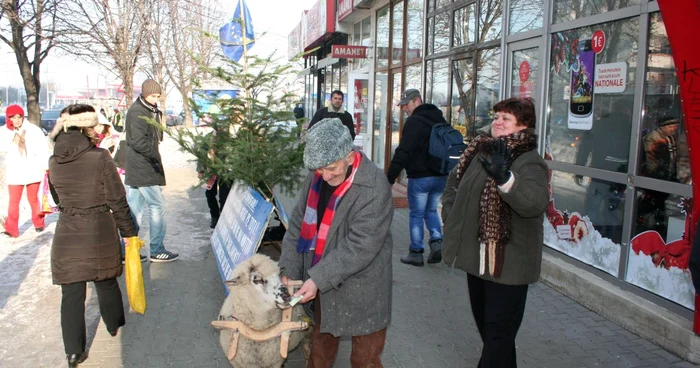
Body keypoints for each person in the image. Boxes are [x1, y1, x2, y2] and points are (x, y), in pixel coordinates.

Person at [441, 97, 548, 367]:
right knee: (493, 336)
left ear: (523, 126)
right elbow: (454, 184)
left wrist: (506, 180)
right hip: (478, 263)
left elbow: (535, 203)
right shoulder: (482, 150)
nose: (498, 122)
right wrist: (451, 214)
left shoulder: (529, 161)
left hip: (509, 266)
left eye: (506, 118)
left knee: (498, 338)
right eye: (497, 116)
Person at [278, 118, 394, 367]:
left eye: (331, 167)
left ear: (350, 157)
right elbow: (298, 223)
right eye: (320, 169)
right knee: (320, 351)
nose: (325, 174)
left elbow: (360, 245)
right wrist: (288, 268)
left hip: (363, 286)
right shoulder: (317, 175)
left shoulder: (374, 187)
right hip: (324, 279)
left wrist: (318, 279)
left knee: (365, 358)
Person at [47, 104, 138, 367]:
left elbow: (56, 197)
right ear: (86, 128)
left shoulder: (54, 160)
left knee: (71, 292)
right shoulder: (99, 157)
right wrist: (129, 232)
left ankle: (74, 352)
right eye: (94, 126)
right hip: (99, 227)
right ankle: (114, 324)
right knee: (106, 279)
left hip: (67, 231)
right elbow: (117, 199)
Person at [386, 88, 448, 267]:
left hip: (420, 177)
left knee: (416, 214)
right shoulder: (439, 118)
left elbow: (404, 151)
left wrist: (390, 177)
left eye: (407, 104)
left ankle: (416, 252)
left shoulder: (414, 122)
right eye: (403, 105)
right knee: (431, 210)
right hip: (440, 176)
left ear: (417, 101)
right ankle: (437, 241)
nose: (404, 108)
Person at [123, 79, 179, 262]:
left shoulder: (148, 109)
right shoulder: (138, 112)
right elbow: (138, 142)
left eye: (158, 96)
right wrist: (154, 154)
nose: (156, 99)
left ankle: (126, 250)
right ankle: (156, 249)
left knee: (135, 208)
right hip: (143, 166)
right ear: (145, 94)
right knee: (157, 206)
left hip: (139, 166)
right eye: (153, 96)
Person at [0, 104, 49, 237]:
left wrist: (46, 167)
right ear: (8, 118)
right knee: (14, 201)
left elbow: (42, 149)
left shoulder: (33, 130)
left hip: (33, 169)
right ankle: (12, 229)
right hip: (15, 171)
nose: (16, 120)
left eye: (19, 116)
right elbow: (2, 149)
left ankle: (38, 222)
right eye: (13, 117)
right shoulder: (3, 132)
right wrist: (12, 137)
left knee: (33, 199)